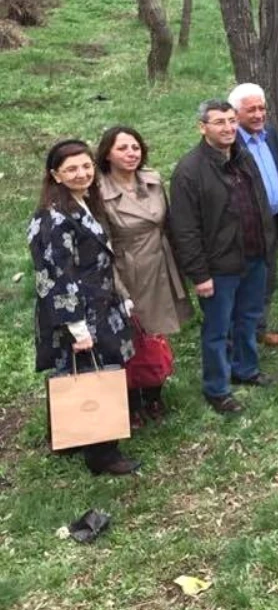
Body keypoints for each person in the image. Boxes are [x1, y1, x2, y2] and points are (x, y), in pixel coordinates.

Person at [30, 140, 138, 475]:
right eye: (72, 169)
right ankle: (102, 454)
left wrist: (120, 296)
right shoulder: (53, 218)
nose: (82, 174)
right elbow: (55, 276)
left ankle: (71, 436)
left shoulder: (84, 203)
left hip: (101, 303)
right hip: (79, 313)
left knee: (90, 372)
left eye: (86, 166)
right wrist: (77, 327)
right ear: (55, 175)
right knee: (91, 377)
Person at [170, 101, 276, 414]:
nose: (228, 128)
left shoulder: (242, 156)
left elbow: (258, 203)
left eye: (231, 121)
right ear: (202, 127)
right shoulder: (189, 171)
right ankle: (217, 388)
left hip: (254, 256)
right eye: (219, 122)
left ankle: (246, 369)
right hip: (219, 267)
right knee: (217, 330)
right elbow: (185, 229)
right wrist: (199, 274)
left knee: (248, 319)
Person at [96, 126, 193, 421]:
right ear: (107, 154)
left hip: (161, 266)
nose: (130, 153)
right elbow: (102, 245)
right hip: (129, 271)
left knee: (156, 333)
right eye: (122, 148)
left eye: (135, 147)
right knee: (129, 336)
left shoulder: (152, 180)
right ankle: (131, 399)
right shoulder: (99, 192)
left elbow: (168, 223)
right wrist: (117, 287)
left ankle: (154, 394)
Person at [228, 83, 278, 347]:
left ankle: (259, 330)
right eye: (250, 110)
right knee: (243, 288)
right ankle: (239, 340)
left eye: (261, 108)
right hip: (245, 231)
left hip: (271, 224)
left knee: (267, 282)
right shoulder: (230, 146)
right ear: (235, 114)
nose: (258, 114)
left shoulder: (270, 134)